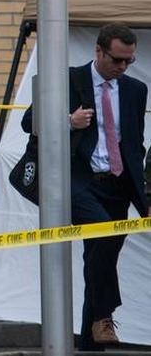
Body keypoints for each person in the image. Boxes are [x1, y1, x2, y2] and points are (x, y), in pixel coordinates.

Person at [21, 22, 147, 350]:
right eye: (116, 60)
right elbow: (28, 123)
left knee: (100, 257)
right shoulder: (66, 80)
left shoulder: (135, 90)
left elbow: (136, 144)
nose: (122, 67)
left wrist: (143, 192)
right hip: (78, 181)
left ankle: (93, 337)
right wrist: (67, 121)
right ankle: (104, 315)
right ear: (98, 51)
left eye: (128, 61)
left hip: (118, 184)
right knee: (102, 234)